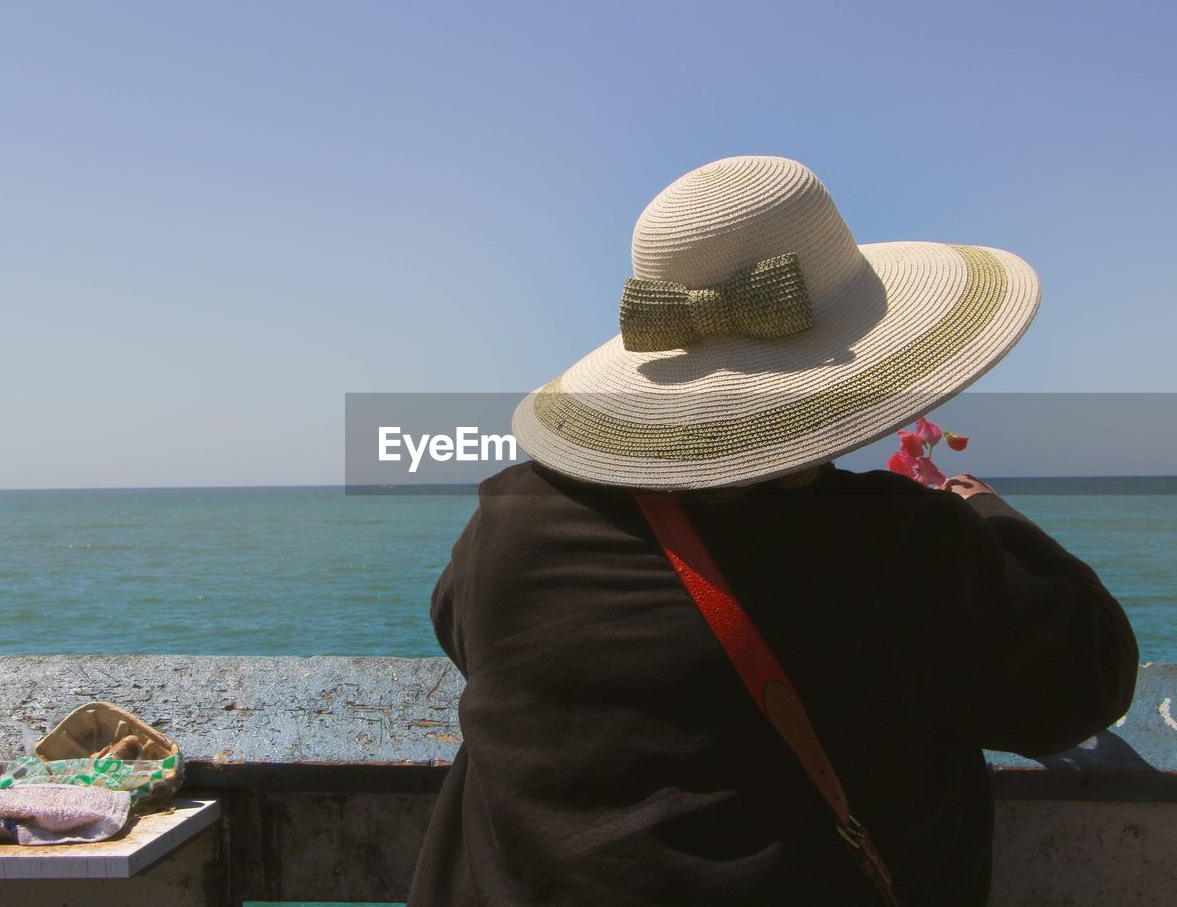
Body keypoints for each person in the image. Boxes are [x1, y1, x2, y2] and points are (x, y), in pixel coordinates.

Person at [406, 157, 1138, 906]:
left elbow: (460, 627)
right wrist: (988, 510)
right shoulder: (899, 546)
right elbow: (1091, 675)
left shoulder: (507, 521)